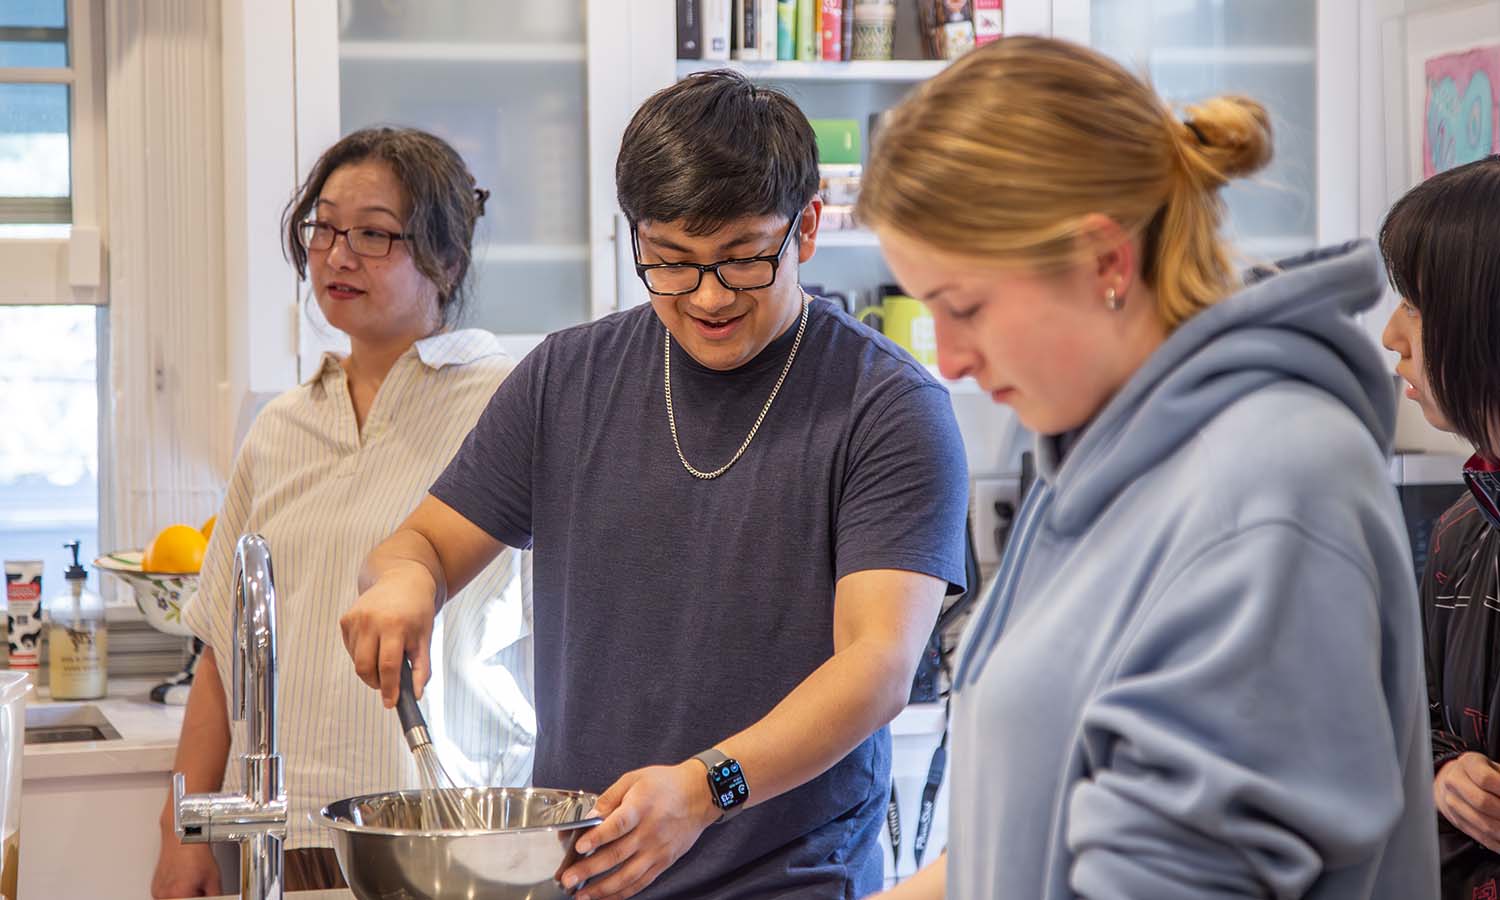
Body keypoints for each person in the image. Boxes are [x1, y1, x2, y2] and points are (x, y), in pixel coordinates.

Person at [339, 71, 970, 899]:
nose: (707, 297)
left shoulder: (887, 406)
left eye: (743, 260)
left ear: (806, 229)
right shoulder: (567, 377)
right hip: (587, 872)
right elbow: (421, 543)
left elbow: (878, 665)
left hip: (787, 879)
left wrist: (708, 793)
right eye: (670, 262)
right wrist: (404, 585)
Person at [855, 36, 1439, 899]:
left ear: (1103, 260)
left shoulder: (1271, 488)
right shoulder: (1092, 465)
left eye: (964, 307)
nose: (950, 361)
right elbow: (1018, 843)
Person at [150, 127, 531, 897]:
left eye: (373, 234)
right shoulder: (281, 425)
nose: (337, 254)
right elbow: (225, 652)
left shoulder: (507, 401)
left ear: (446, 260)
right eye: (322, 226)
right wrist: (177, 830)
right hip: (287, 838)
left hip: (451, 828)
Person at [1378, 155, 1500, 900]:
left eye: (1417, 305)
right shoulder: (1464, 527)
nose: (1394, 336)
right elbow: (1417, 714)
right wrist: (1446, 773)